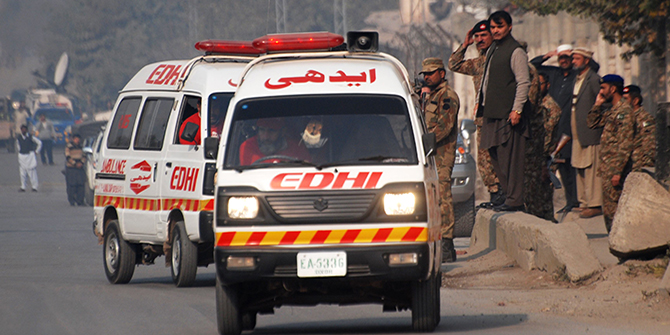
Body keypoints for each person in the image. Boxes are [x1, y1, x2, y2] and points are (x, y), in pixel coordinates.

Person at [477, 10, 530, 212]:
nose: (496, 31)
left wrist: (517, 109)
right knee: (496, 156)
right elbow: (487, 80)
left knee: (511, 159)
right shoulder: (493, 49)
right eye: (493, 27)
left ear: (509, 27)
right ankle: (507, 196)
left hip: (508, 115)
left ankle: (515, 200)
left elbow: (523, 82)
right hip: (492, 112)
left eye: (499, 27)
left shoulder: (515, 51)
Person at [448, 20, 505, 208]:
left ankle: (505, 192)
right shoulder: (478, 63)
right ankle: (495, 194)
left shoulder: (500, 57)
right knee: (484, 158)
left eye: (483, 36)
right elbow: (454, 65)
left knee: (502, 155)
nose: (480, 40)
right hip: (483, 118)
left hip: (502, 117)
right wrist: (465, 45)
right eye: (477, 37)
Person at [419, 57, 460, 263]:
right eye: (424, 74)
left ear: (441, 74)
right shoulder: (429, 96)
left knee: (443, 198)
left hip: (442, 153)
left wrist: (423, 142)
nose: (426, 77)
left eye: (431, 73)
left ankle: (446, 244)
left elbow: (445, 127)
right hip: (428, 154)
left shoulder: (447, 96)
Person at [587, 75, 634, 232]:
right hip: (607, 169)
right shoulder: (612, 111)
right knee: (608, 212)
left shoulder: (624, 112)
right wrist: (597, 105)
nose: (601, 92)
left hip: (615, 170)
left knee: (616, 211)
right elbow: (592, 123)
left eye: (603, 88)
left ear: (612, 89)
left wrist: (617, 172)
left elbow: (625, 143)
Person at [569, 48, 603, 218]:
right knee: (579, 166)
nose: (573, 61)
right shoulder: (576, 79)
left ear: (586, 60)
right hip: (577, 132)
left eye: (577, 58)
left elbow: (603, 103)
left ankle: (595, 203)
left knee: (591, 169)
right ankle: (583, 202)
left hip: (590, 132)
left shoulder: (594, 79)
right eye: (573, 58)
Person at [524, 72, 562, 222]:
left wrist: (542, 160)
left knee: (543, 197)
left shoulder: (551, 107)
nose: (537, 87)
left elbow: (546, 135)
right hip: (534, 157)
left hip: (545, 158)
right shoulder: (535, 105)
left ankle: (549, 226)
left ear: (547, 85)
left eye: (540, 84)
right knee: (532, 197)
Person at [239, 118, 310, 165]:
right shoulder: (248, 146)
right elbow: (246, 173)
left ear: (282, 132)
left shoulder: (296, 147)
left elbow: (308, 167)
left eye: (272, 131)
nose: (266, 137)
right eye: (262, 130)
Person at [623, 85, 656, 172]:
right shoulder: (625, 118)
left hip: (637, 166)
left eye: (625, 99)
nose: (622, 103)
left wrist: (645, 167)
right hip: (625, 167)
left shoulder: (645, 119)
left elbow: (650, 145)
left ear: (635, 101)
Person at [16, 124, 41, 192]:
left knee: (32, 172)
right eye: (22, 129)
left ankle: (34, 187)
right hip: (22, 156)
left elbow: (39, 143)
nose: (23, 130)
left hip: (30, 156)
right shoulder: (19, 138)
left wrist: (36, 151)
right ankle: (23, 187)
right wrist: (20, 152)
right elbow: (18, 146)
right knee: (22, 173)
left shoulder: (31, 137)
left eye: (24, 129)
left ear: (26, 130)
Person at [65, 133, 87, 206]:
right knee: (72, 185)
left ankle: (80, 201)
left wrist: (81, 163)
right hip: (71, 169)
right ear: (73, 139)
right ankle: (72, 200)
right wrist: (75, 164)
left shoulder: (81, 147)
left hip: (80, 169)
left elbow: (84, 156)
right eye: (76, 139)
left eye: (78, 139)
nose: (77, 140)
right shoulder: (69, 147)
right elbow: (68, 157)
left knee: (81, 185)